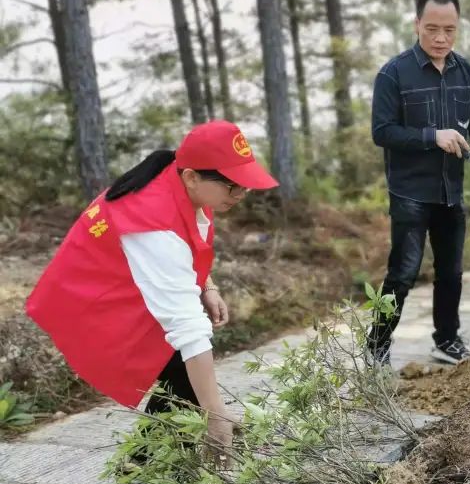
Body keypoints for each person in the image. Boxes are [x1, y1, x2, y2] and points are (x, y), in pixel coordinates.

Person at [25, 121, 279, 460]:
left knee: (184, 373)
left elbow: (187, 244)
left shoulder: (184, 183)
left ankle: (147, 466)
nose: (240, 195)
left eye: (245, 186)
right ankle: (155, 468)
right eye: (233, 186)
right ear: (192, 176)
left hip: (124, 282)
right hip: (91, 299)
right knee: (185, 362)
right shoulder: (151, 220)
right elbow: (186, 325)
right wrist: (217, 415)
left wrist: (207, 284)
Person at [369, 0, 470, 367]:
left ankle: (446, 340)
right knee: (403, 273)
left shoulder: (467, 73)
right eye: (432, 29)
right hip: (410, 192)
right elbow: (382, 132)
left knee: (452, 272)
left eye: (449, 29)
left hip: (451, 190)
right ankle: (377, 346)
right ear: (417, 25)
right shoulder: (394, 73)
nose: (441, 38)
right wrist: (434, 136)